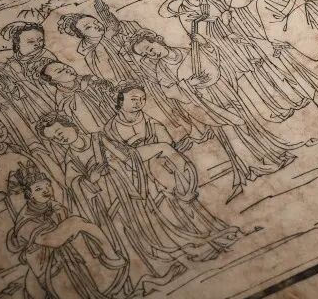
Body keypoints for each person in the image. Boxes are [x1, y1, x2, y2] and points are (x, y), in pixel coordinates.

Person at [129, 29, 298, 201]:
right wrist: (189, 84)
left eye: (150, 49)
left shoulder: (185, 51)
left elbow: (211, 60)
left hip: (220, 91)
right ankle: (251, 165)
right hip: (205, 104)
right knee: (229, 132)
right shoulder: (162, 70)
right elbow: (171, 92)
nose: (152, 55)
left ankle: (270, 156)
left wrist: (204, 44)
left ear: (158, 40)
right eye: (146, 55)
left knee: (246, 123)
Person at [36, 114, 188, 293]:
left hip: (124, 192)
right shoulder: (71, 160)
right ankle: (144, 278)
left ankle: (162, 264)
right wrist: (89, 180)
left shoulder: (98, 139)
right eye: (54, 137)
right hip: (106, 206)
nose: (59, 137)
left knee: (143, 227)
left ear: (69, 125)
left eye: (59, 131)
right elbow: (74, 188)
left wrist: (115, 162)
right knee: (124, 239)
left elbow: (127, 156)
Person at [102, 83, 243, 261]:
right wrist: (150, 150)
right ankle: (191, 245)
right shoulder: (110, 129)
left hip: (164, 171)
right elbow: (118, 157)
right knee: (166, 210)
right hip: (140, 179)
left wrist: (158, 150)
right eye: (134, 99)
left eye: (142, 99)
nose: (139, 103)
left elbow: (168, 145)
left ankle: (210, 236)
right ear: (121, 101)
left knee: (183, 198)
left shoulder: (150, 121)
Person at [163, 0, 311, 123]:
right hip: (223, 52)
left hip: (237, 42)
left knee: (264, 70)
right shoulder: (185, 12)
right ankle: (273, 112)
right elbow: (199, 35)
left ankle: (292, 100)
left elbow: (226, 6)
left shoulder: (209, 0)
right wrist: (221, 21)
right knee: (249, 81)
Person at [3, 161, 132, 299]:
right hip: (48, 268)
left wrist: (69, 221)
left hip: (69, 260)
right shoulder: (25, 222)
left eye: (47, 185)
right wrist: (75, 224)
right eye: (38, 189)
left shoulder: (52, 206)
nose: (46, 190)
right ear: (30, 195)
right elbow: (53, 240)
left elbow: (65, 229)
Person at [58, 0, 145, 85]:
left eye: (96, 22)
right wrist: (106, 39)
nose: (96, 26)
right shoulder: (90, 53)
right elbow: (108, 74)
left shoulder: (116, 30)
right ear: (81, 35)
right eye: (88, 27)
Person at [0, 21, 58, 120]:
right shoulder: (13, 62)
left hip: (49, 95)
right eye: (31, 42)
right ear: (17, 44)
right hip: (32, 102)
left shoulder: (46, 56)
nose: (37, 44)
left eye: (41, 40)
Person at [38, 60, 116, 135]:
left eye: (66, 66)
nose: (68, 70)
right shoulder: (60, 96)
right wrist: (82, 91)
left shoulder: (87, 79)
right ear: (54, 81)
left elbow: (108, 90)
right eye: (60, 71)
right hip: (92, 124)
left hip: (110, 115)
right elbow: (67, 112)